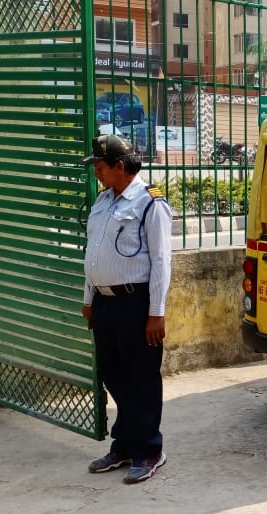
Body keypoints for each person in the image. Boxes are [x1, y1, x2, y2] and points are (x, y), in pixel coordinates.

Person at [79, 134, 173, 484]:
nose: (97, 174)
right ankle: (124, 444)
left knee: (142, 378)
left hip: (136, 304)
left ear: (119, 167)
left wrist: (156, 313)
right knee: (112, 372)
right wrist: (89, 300)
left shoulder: (151, 203)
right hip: (105, 303)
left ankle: (149, 450)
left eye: (101, 168)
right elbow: (93, 254)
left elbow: (162, 262)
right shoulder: (104, 201)